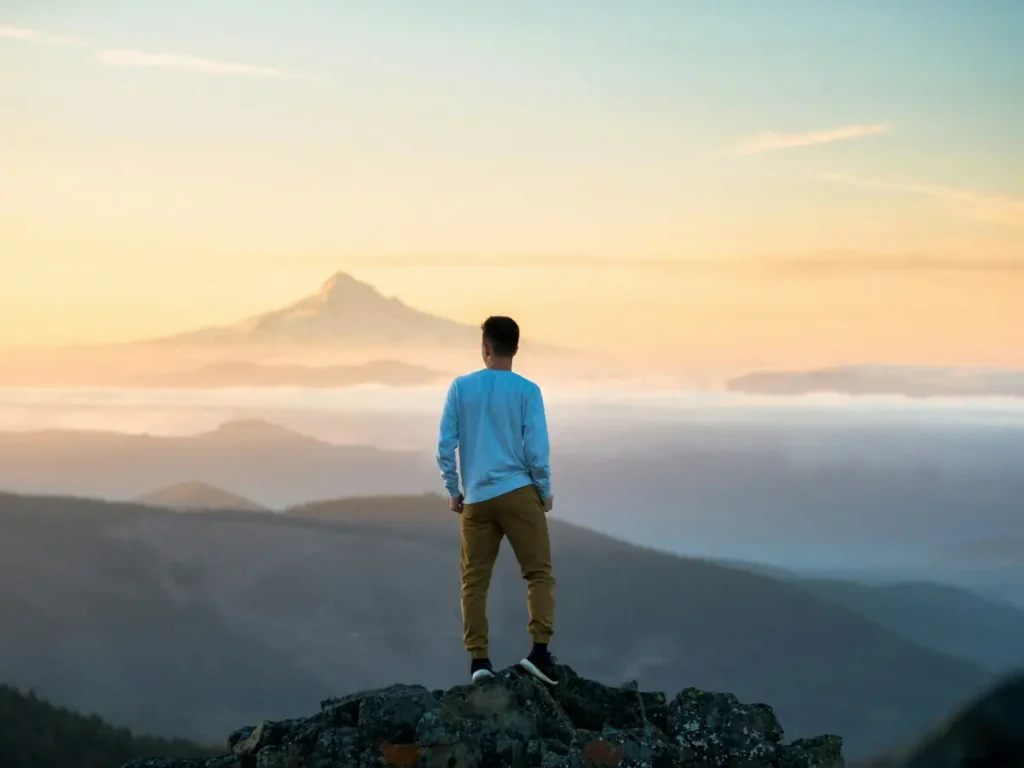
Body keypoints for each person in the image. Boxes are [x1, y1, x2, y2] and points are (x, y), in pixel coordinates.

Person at [436, 315, 559, 686]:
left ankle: (479, 662)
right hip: (519, 492)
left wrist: (453, 488)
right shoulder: (527, 391)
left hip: (476, 499)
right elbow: (536, 450)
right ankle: (539, 653)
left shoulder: (461, 388)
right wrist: (544, 490)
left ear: (485, 347)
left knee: (474, 582)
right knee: (538, 573)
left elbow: (445, 446)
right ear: (516, 348)